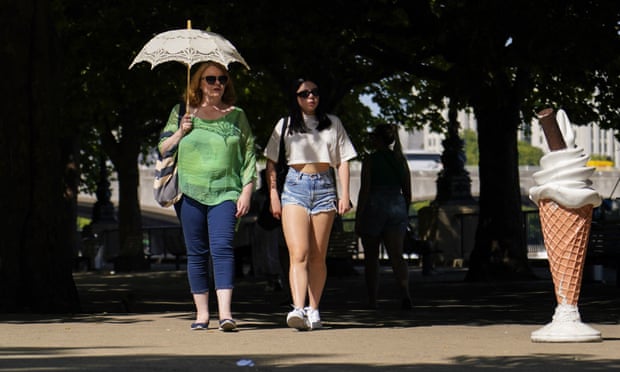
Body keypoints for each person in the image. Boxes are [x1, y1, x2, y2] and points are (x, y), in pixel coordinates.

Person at [158, 61, 256, 332]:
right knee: (197, 253)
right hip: (190, 192)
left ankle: (225, 314)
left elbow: (249, 154)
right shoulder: (181, 113)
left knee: (223, 249)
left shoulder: (237, 115)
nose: (217, 84)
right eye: (210, 79)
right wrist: (181, 131)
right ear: (198, 83)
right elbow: (163, 149)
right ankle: (202, 314)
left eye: (222, 79)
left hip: (226, 191)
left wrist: (247, 189)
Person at [264, 78, 357, 330]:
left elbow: (345, 160)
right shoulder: (285, 125)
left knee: (318, 255)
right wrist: (273, 194)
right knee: (299, 252)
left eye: (315, 92)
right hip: (295, 186)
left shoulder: (333, 123)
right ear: (295, 97)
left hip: (325, 187)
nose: (310, 97)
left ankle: (314, 309)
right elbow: (271, 162)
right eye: (304, 93)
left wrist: (344, 194)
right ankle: (297, 308)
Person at [355, 124, 413, 310]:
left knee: (371, 257)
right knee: (397, 255)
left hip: (374, 206)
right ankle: (405, 292)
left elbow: (365, 190)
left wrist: (359, 217)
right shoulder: (400, 160)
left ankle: (373, 299)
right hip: (397, 205)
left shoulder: (370, 160)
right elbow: (408, 192)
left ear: (378, 139)